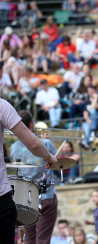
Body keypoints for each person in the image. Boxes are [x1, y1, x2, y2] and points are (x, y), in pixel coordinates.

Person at [0, 98, 57, 243]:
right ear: (31, 125)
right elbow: (37, 147)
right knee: (43, 238)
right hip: (44, 195)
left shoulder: (13, 148)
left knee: (28, 238)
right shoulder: (47, 143)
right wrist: (45, 146)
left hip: (24, 197)